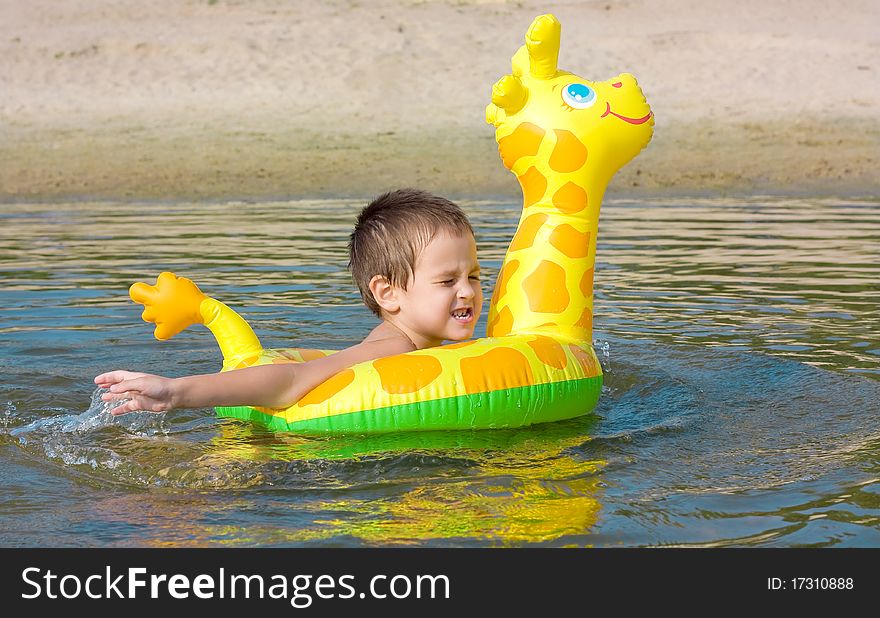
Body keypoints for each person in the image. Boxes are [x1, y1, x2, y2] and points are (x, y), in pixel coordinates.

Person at [95, 189, 483, 415]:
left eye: (474, 276)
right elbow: (291, 380)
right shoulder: (393, 347)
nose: (466, 291)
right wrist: (178, 391)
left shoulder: (416, 342)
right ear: (388, 293)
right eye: (447, 280)